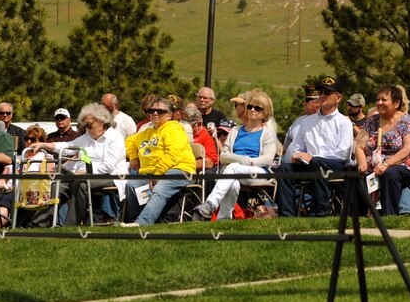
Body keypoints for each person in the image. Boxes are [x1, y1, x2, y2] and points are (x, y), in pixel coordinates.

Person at [28, 103, 127, 226]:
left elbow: (108, 166)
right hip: (81, 175)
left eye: (89, 125)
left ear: (101, 121)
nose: (86, 129)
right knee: (57, 185)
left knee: (81, 183)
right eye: (84, 126)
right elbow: (68, 146)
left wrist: (86, 173)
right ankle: (38, 223)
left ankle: (70, 224)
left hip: (111, 176)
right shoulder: (87, 137)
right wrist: (43, 145)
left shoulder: (115, 137)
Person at [193, 90, 279, 220]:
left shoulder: (268, 133)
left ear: (265, 112)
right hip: (234, 171)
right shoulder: (235, 130)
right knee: (233, 183)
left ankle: (210, 204)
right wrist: (240, 159)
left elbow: (267, 160)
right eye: (250, 107)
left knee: (232, 169)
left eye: (258, 108)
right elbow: (223, 156)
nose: (252, 110)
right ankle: (223, 220)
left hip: (259, 172)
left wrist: (246, 162)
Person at [276, 77, 354, 217]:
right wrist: (297, 155)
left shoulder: (344, 122)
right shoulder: (307, 121)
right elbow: (298, 147)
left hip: (336, 165)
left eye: (327, 93)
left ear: (338, 98)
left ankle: (320, 212)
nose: (322, 95)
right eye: (321, 92)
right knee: (284, 168)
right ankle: (286, 215)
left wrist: (314, 158)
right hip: (310, 164)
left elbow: (343, 154)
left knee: (317, 163)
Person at [121, 97, 196, 226]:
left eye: (160, 111)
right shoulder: (147, 132)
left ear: (169, 115)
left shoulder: (174, 129)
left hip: (179, 170)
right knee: (131, 185)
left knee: (160, 188)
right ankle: (135, 220)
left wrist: (158, 173)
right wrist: (133, 157)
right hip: (151, 173)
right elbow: (129, 142)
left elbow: (173, 154)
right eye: (152, 110)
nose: (155, 113)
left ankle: (143, 222)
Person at [354, 85, 410, 215]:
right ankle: (358, 218)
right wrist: (362, 163)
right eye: (378, 99)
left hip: (402, 163)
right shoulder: (371, 121)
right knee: (356, 174)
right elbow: (359, 145)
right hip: (374, 163)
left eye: (384, 100)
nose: (379, 103)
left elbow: (408, 149)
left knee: (390, 174)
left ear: (396, 103)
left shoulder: (407, 121)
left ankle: (388, 216)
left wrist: (386, 164)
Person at [284, 85, 321, 157]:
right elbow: (287, 144)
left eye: (307, 101)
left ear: (317, 104)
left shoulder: (326, 122)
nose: (304, 104)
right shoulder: (299, 121)